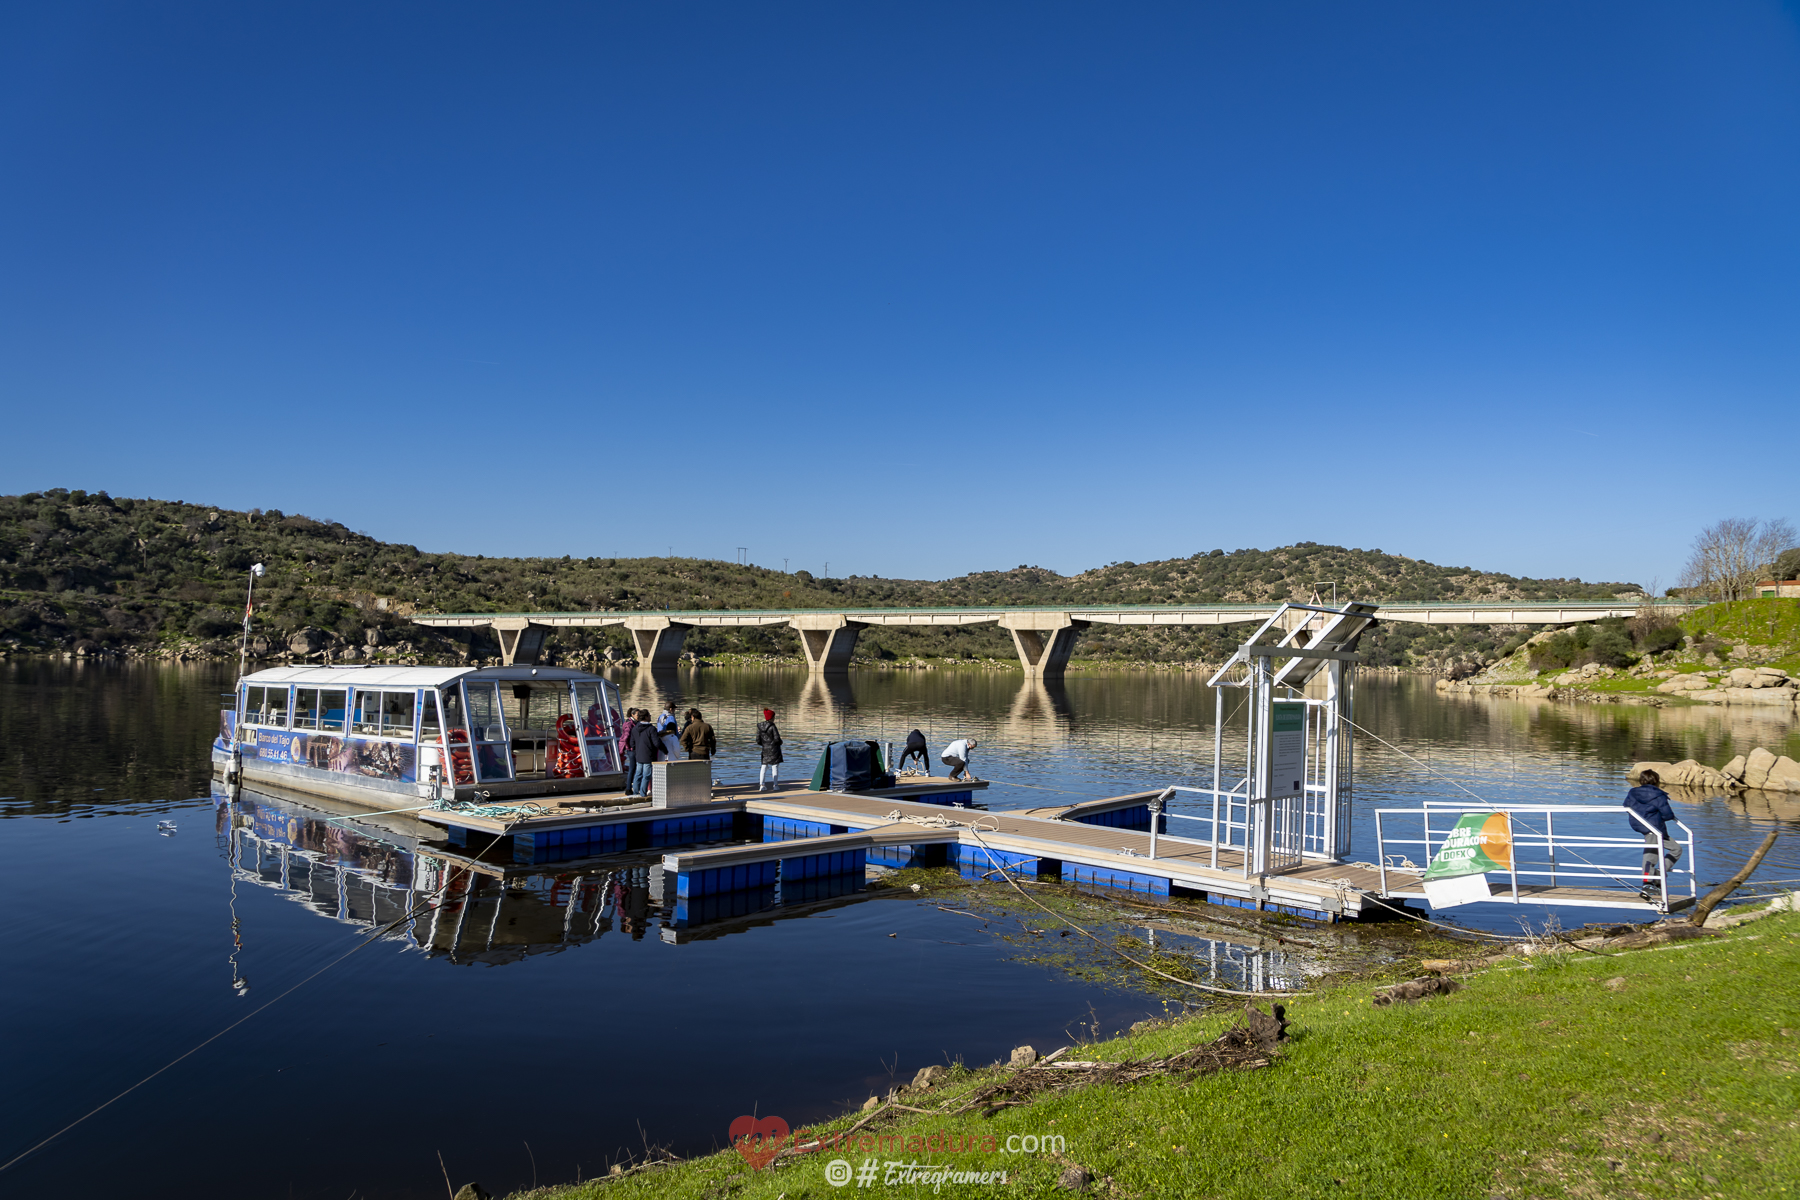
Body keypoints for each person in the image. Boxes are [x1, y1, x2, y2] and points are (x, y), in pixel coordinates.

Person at [1624, 768, 1682, 902]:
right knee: (1651, 855)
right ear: (1656, 781)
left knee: (1676, 849)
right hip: (1654, 828)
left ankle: (1658, 875)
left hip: (1643, 826)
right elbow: (1667, 814)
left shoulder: (1633, 793)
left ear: (1641, 780)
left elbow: (1626, 806)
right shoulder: (1658, 795)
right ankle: (1648, 884)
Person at [755, 708, 783, 792]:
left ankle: (762, 785)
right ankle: (775, 785)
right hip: (774, 749)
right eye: (774, 717)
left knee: (763, 767)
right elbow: (777, 738)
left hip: (765, 749)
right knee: (775, 767)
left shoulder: (760, 727)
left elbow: (758, 740)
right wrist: (780, 743)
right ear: (771, 717)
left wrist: (765, 745)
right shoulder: (772, 726)